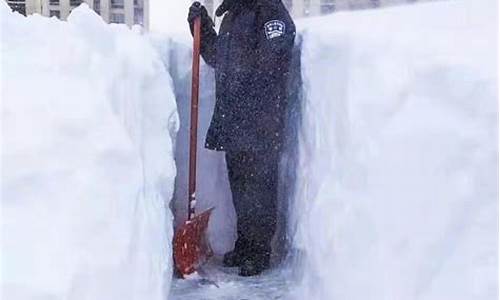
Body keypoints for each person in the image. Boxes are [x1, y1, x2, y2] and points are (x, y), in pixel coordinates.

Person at [187, 0, 295, 276]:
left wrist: (244, 82)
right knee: (242, 189)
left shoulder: (269, 9)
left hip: (260, 120)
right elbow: (218, 58)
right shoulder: (234, 14)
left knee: (259, 189)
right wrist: (203, 29)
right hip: (236, 119)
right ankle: (245, 244)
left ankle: (259, 251)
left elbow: (277, 51)